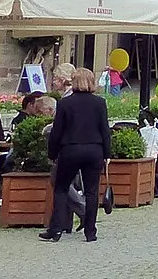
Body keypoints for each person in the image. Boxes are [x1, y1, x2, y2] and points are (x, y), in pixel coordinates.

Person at [43, 67, 110, 243]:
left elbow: (57, 131)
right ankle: (90, 231)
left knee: (61, 188)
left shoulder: (66, 103)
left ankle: (56, 229)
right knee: (91, 192)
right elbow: (105, 130)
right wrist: (107, 153)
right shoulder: (99, 103)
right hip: (94, 149)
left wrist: (52, 152)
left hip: (70, 149)